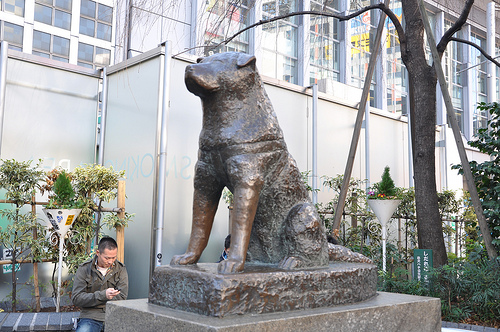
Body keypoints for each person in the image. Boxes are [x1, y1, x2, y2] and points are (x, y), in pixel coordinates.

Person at [72, 237, 128, 332]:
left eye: (114, 257)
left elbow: (122, 296)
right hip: (90, 315)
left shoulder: (120, 269)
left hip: (113, 314)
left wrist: (94, 300)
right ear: (98, 253)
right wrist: (103, 295)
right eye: (107, 258)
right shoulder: (84, 269)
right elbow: (76, 298)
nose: (110, 261)